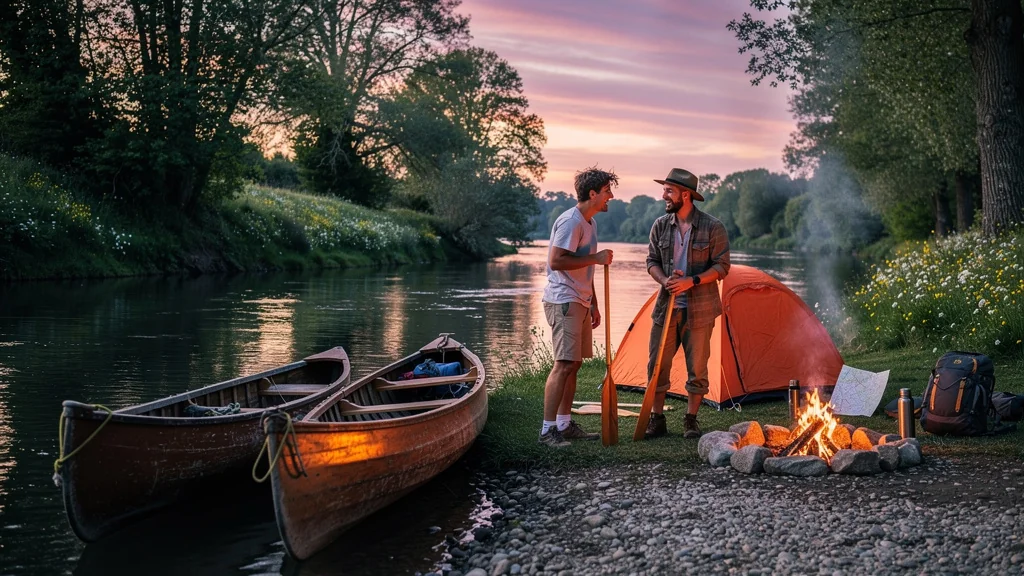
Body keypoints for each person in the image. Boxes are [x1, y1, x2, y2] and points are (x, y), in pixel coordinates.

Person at [644, 168, 730, 439]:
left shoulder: (713, 227)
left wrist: (691, 281)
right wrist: (665, 281)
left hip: (701, 309)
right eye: (664, 190)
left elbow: (722, 267)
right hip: (665, 309)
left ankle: (691, 419)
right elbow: (651, 262)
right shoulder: (660, 225)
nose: (664, 195)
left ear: (686, 194)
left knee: (698, 369)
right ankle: (657, 419)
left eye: (669, 190)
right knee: (656, 365)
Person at [538, 167, 617, 447]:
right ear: (592, 193)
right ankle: (548, 431)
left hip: (580, 300)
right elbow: (556, 261)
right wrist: (596, 257)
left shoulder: (590, 223)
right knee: (563, 364)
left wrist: (593, 302)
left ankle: (564, 424)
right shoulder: (571, 222)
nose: (611, 197)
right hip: (563, 300)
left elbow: (583, 266)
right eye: (607, 191)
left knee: (574, 364)